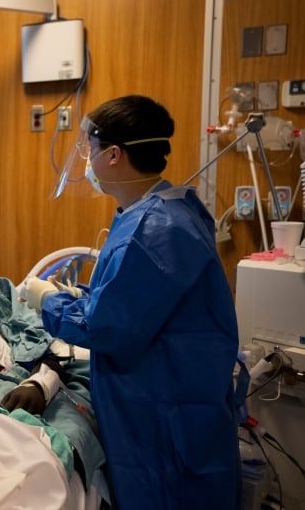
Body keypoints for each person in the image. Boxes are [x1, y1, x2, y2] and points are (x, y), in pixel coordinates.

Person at [24, 95, 241, 509]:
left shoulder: (156, 230)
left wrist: (48, 300)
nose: (86, 160)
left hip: (166, 418)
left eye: (90, 149)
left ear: (114, 155)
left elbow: (106, 328)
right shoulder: (159, 210)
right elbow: (132, 302)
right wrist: (81, 297)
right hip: (171, 399)